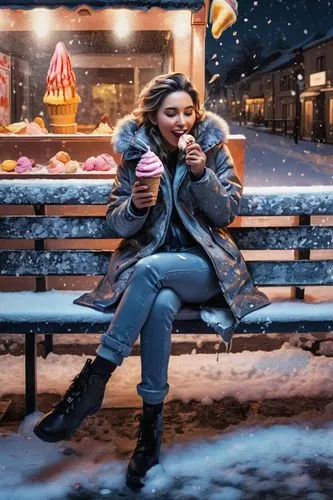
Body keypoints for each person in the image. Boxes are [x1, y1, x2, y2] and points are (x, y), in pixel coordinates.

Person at [33, 72, 270, 489]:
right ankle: (151, 431)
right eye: (170, 112)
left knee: (150, 270)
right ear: (154, 115)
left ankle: (93, 383)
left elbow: (227, 212)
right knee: (158, 303)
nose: (182, 121)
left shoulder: (211, 149)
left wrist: (202, 176)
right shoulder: (137, 155)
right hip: (156, 276)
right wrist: (137, 207)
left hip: (205, 266)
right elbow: (117, 220)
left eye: (187, 111)